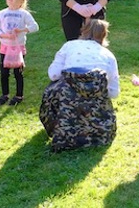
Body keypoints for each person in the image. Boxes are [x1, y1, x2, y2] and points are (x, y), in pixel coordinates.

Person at [43, 19, 119, 151]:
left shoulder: (69, 46)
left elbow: (53, 75)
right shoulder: (109, 56)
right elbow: (114, 93)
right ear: (104, 35)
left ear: (83, 30)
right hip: (96, 110)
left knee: (53, 88)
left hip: (68, 102)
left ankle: (58, 126)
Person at [0, 0, 39, 106]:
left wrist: (22, 30)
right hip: (5, 48)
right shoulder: (1, 14)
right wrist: (4, 35)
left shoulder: (24, 14)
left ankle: (19, 95)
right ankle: (5, 94)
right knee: (4, 72)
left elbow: (35, 26)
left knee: (18, 73)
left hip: (18, 49)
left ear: (22, 1)